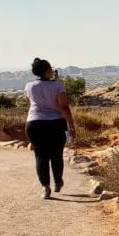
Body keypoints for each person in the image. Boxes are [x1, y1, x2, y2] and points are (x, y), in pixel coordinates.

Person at [24, 58, 77, 199]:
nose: (52, 70)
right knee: (56, 154)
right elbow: (64, 107)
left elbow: (29, 102)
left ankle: (45, 187)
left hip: (34, 123)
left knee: (40, 156)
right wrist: (71, 125)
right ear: (47, 70)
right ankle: (58, 182)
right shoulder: (57, 86)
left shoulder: (29, 86)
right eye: (50, 68)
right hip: (56, 123)